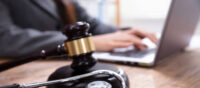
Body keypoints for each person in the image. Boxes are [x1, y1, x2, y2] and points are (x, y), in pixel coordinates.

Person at [0, 0, 157, 58]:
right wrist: (83, 43)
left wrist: (124, 32)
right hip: (25, 70)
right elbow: (5, 38)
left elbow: (92, 25)